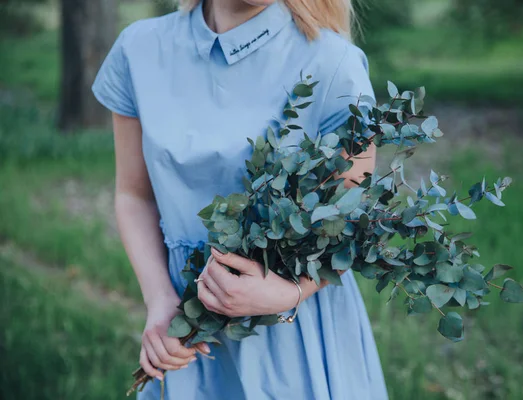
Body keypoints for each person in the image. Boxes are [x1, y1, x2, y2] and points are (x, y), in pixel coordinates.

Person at [92, 0, 388, 398]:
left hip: (291, 329)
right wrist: (160, 300)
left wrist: (290, 292)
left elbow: (354, 211)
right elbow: (134, 195)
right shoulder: (139, 48)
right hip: (185, 321)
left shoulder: (333, 64)